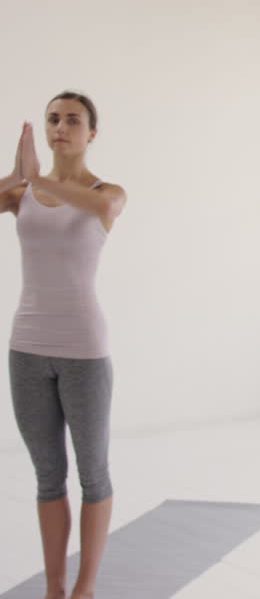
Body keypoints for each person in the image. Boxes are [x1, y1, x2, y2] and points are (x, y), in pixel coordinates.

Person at [3, 91, 127, 599]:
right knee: (48, 476)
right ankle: (54, 588)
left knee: (93, 474)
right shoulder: (24, 193)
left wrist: (37, 180)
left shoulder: (107, 191)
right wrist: (14, 180)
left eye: (72, 120)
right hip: (26, 349)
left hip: (84, 352)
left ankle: (85, 588)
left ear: (91, 133)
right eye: (53, 118)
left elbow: (98, 206)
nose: (60, 127)